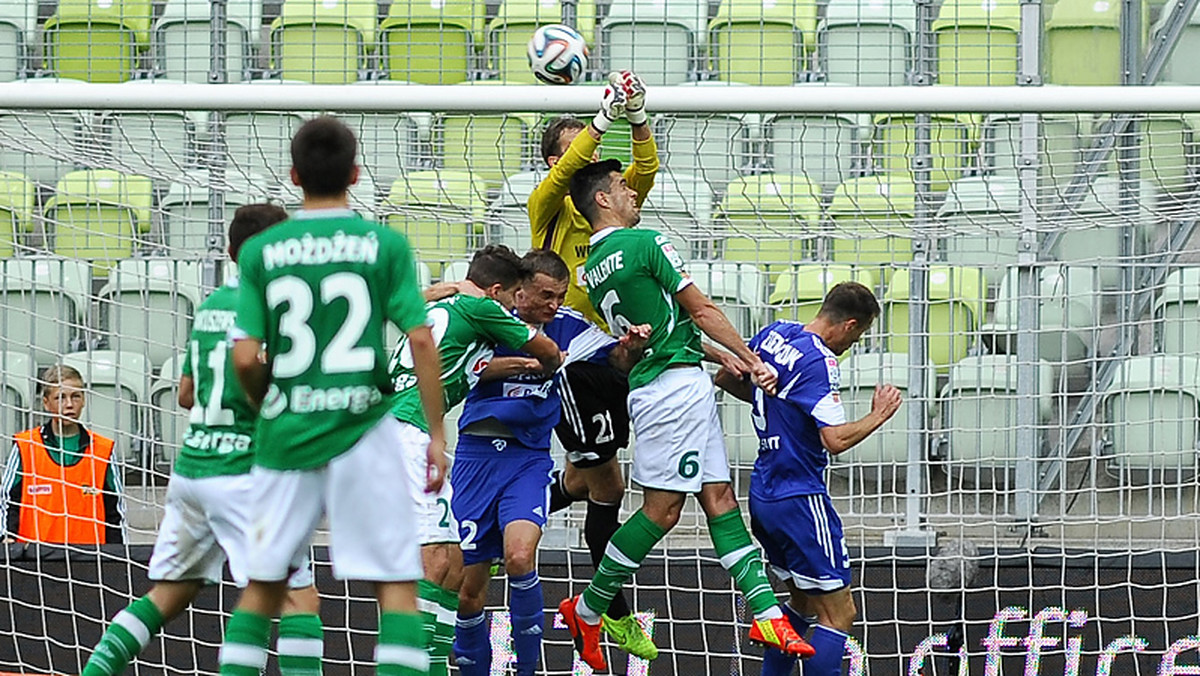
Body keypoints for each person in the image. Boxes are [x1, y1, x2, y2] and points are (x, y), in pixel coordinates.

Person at [558, 159, 817, 670]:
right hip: (672, 392)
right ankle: (588, 610)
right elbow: (699, 309)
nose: (632, 192)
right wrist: (750, 358)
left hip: (668, 383)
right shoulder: (644, 242)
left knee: (717, 496)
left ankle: (765, 610)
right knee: (663, 511)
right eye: (621, 187)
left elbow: (664, 329)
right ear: (603, 200)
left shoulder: (594, 266)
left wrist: (719, 355)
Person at [218, 116, 448, 676]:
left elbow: (245, 356)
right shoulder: (384, 245)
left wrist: (263, 400)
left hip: (287, 431)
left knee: (265, 585)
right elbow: (420, 338)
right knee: (395, 584)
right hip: (364, 430)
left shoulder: (263, 251)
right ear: (356, 173)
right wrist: (438, 435)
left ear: (294, 176)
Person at [79, 204, 326, 676]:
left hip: (194, 468)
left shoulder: (212, 305)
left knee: (174, 592)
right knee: (295, 598)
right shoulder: (279, 307)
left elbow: (187, 393)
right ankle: (500, 659)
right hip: (243, 471)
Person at [451, 249, 649, 676]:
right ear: (517, 290)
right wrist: (522, 361)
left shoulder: (570, 329)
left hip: (528, 459)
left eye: (559, 296)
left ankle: (526, 670)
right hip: (476, 456)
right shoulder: (488, 317)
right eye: (545, 295)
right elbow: (463, 367)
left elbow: (613, 360)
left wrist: (629, 349)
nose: (554, 304)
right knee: (469, 592)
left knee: (521, 557)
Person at [528, 69, 659, 658]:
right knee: (607, 485)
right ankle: (607, 613)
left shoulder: (607, 206)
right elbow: (562, 173)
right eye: (578, 146)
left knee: (593, 480)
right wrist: (601, 116)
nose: (592, 156)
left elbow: (646, 173)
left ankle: (511, 500)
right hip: (572, 356)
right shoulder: (550, 205)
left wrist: (634, 116)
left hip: (608, 352)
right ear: (557, 161)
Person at [388, 244, 564, 676]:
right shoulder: (483, 308)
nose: (514, 306)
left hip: (396, 431)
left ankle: (431, 664)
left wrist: (440, 289)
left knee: (453, 564)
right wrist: (544, 361)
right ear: (500, 290)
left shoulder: (445, 304)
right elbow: (548, 351)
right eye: (512, 297)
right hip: (405, 432)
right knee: (434, 563)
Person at [714, 282, 902, 676]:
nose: (853, 344)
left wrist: (779, 402)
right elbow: (833, 440)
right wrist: (878, 415)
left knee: (800, 604)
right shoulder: (820, 362)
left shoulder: (774, 333)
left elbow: (727, 378)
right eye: (860, 335)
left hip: (764, 493)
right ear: (849, 325)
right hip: (800, 496)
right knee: (839, 614)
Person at [2, 365, 125, 546]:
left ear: (83, 400)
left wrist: (118, 558)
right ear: (46, 403)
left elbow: (116, 512)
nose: (69, 404)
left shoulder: (103, 450)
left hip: (89, 561)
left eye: (75, 396)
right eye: (60, 397)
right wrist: (7, 538)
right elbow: (6, 500)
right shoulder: (25, 446)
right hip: (34, 562)